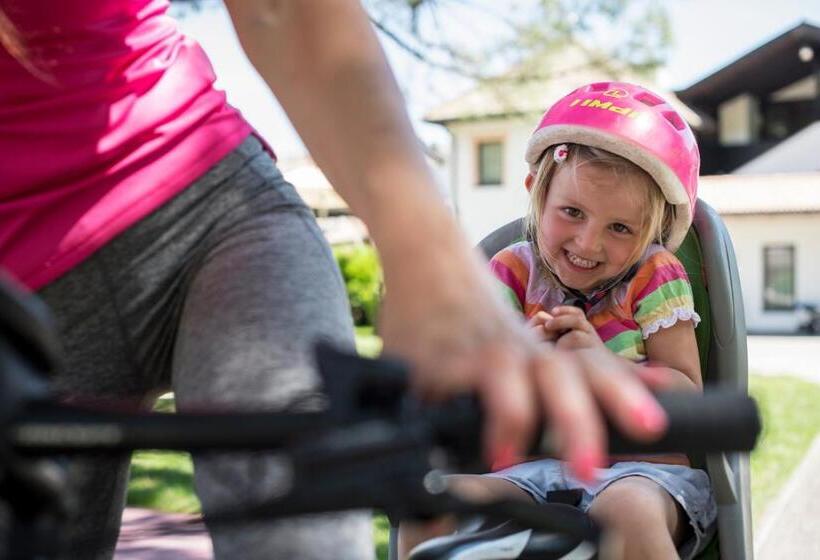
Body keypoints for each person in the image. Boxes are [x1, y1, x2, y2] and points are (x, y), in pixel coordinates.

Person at [0, 2, 669, 558]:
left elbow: (285, 10)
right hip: (17, 276)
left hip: (206, 202)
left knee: (308, 535)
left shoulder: (650, 280)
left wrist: (428, 261)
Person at [399, 82, 716, 560]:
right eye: (572, 212)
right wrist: (519, 360)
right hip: (528, 475)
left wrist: (603, 365)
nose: (588, 243)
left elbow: (687, 394)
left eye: (620, 228)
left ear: (652, 230)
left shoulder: (654, 274)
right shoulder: (510, 272)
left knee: (626, 511)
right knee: (431, 506)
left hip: (644, 475)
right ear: (537, 192)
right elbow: (471, 391)